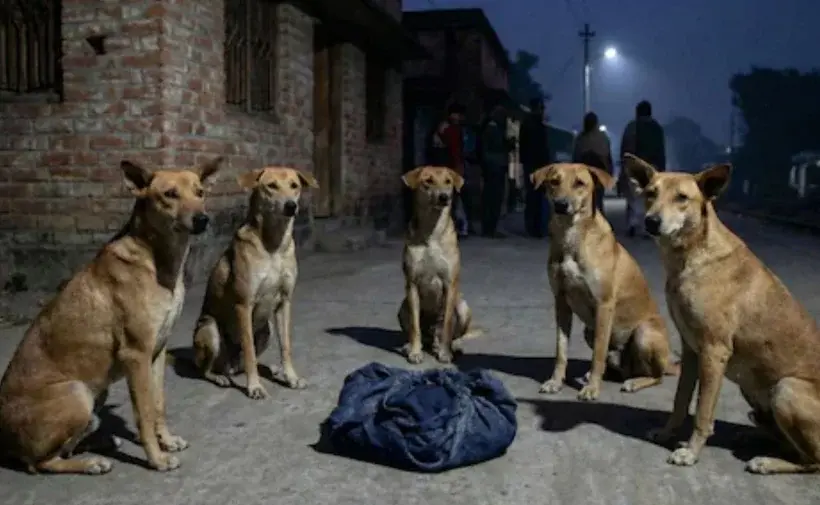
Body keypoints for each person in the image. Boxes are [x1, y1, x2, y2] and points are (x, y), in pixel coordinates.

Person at [620, 100, 666, 237]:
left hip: (635, 167)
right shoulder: (657, 128)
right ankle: (646, 226)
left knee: (634, 197)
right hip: (653, 167)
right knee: (649, 197)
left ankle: (633, 223)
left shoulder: (632, 127)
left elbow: (625, 149)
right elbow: (661, 151)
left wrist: (624, 167)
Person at [427, 103, 470, 237]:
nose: (460, 118)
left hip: (439, 168)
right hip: (449, 168)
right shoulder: (452, 129)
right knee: (451, 199)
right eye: (458, 115)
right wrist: (459, 167)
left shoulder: (441, 127)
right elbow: (455, 150)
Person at [477, 103, 511, 238]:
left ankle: (489, 228)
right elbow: (496, 147)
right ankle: (489, 228)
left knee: (491, 198)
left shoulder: (491, 127)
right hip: (494, 166)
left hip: (493, 166)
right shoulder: (493, 128)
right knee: (493, 198)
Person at [519, 98, 551, 238]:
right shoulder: (538, 126)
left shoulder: (526, 124)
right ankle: (537, 228)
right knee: (538, 198)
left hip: (529, 165)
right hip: (538, 166)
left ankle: (531, 227)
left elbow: (522, 146)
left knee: (532, 197)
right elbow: (542, 149)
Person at [572, 111, 613, 214]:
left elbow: (576, 158)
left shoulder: (580, 138)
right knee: (598, 200)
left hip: (584, 174)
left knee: (585, 200)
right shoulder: (602, 138)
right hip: (599, 173)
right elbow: (607, 157)